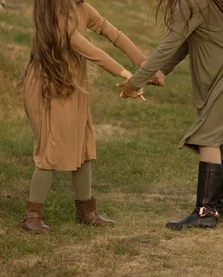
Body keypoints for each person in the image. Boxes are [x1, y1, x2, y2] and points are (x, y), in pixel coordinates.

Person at [19, 0, 164, 232]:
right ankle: (32, 215)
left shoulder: (81, 7)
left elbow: (113, 34)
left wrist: (145, 65)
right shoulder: (55, 14)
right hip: (48, 88)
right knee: (51, 147)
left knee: (84, 145)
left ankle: (87, 212)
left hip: (72, 86)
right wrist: (127, 74)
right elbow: (88, 49)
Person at [119, 0, 223, 230]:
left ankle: (205, 213)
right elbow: (185, 43)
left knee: (208, 136)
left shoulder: (190, 2)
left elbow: (167, 46)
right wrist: (163, 70)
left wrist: (134, 83)